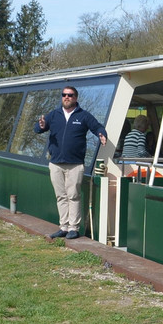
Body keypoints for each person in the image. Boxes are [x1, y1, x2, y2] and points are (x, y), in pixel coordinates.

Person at [34, 86, 108, 240]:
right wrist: (40, 126)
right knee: (61, 196)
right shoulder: (54, 115)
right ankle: (63, 227)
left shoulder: (83, 116)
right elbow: (38, 128)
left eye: (70, 95)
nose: (66, 97)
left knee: (73, 195)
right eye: (64, 95)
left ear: (76, 98)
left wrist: (102, 134)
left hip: (75, 164)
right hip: (55, 163)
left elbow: (97, 127)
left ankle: (74, 228)